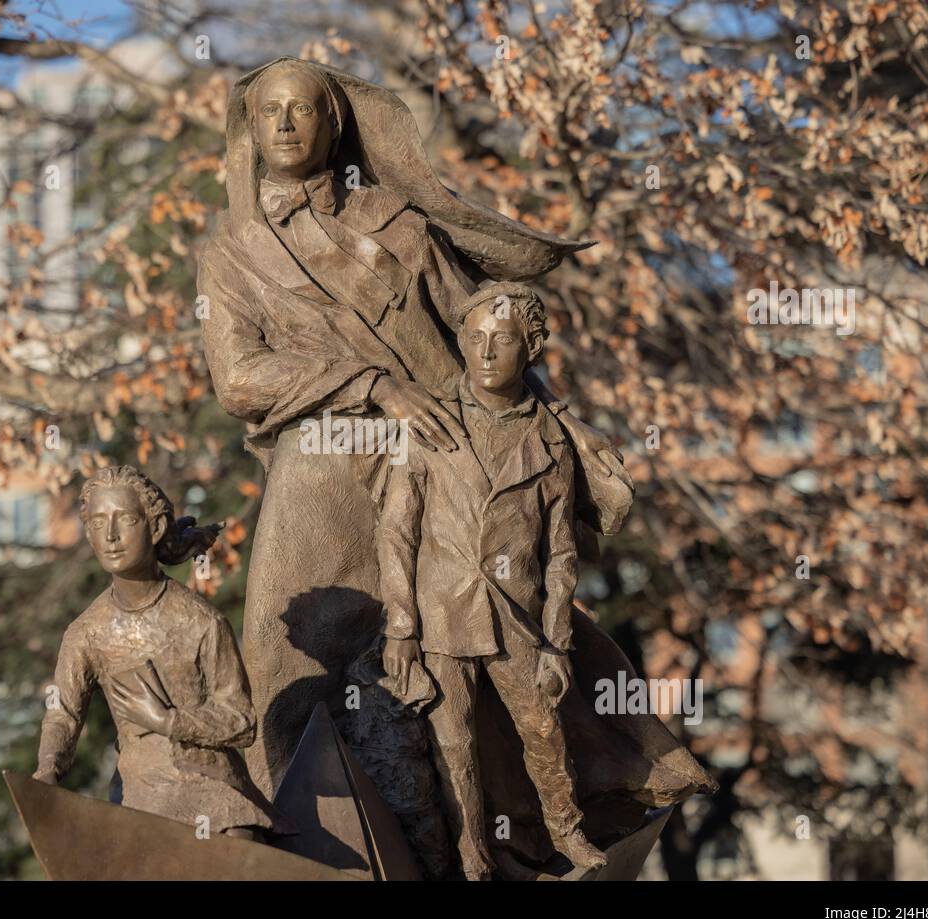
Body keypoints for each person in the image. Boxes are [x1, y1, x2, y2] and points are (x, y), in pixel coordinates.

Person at [198, 57, 620, 795]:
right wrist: (370, 384)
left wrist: (559, 427)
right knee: (288, 647)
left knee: (490, 631)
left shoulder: (398, 223)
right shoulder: (232, 254)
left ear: (336, 123)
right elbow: (238, 378)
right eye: (271, 112)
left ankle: (516, 822)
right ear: (252, 129)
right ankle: (299, 825)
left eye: (303, 109)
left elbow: (480, 331)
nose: (287, 124)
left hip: (441, 447)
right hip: (325, 456)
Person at [377, 283, 607, 877]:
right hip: (441, 613)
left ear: (528, 348)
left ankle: (569, 834)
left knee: (543, 732)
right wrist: (400, 624)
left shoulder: (552, 441)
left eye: (501, 340)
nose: (484, 352)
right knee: (453, 747)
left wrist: (557, 643)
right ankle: (472, 854)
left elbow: (560, 554)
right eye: (474, 338)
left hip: (519, 618)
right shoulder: (430, 421)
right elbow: (397, 530)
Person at [33, 466, 285, 840]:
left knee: (237, 850)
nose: (112, 536)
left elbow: (242, 721)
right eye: (99, 523)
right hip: (144, 792)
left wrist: (169, 722)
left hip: (213, 785)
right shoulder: (86, 634)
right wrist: (48, 768)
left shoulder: (202, 622)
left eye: (126, 520)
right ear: (88, 534)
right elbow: (63, 715)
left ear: (153, 528)